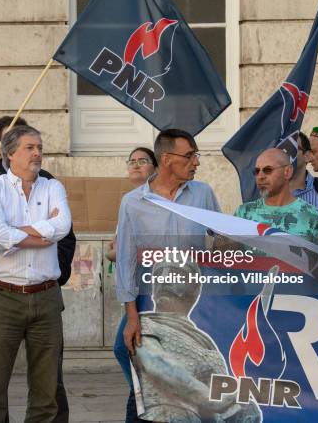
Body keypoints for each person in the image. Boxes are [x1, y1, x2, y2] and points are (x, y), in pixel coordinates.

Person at [0, 115, 75, 422]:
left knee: (47, 392)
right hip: (2, 297)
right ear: (8, 152)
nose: (37, 153)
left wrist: (14, 235)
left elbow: (62, 228)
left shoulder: (52, 186)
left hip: (45, 296)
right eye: (29, 147)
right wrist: (39, 234)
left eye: (39, 147)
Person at [115, 129, 221, 422]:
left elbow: (222, 239)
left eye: (196, 156)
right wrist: (132, 314)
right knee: (137, 365)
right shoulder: (133, 203)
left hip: (194, 306)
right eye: (190, 155)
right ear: (166, 158)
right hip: (150, 303)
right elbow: (125, 261)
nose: (196, 162)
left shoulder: (202, 194)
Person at [133, 263, 261, 422]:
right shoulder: (145, 324)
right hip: (166, 414)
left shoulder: (206, 344)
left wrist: (239, 408)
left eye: (175, 275)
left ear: (194, 290)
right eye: (160, 276)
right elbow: (157, 363)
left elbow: (220, 403)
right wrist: (209, 399)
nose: (165, 281)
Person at [106, 147, 157, 422]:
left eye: (143, 161)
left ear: (156, 167)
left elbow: (123, 249)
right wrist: (116, 250)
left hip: (151, 288)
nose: (136, 166)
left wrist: (117, 250)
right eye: (132, 162)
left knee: (124, 347)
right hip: (132, 289)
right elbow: (117, 250)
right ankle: (141, 390)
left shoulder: (152, 203)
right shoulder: (129, 202)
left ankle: (143, 392)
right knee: (126, 348)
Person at [236, 148, 318, 247]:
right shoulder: (243, 213)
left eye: (268, 170)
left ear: (287, 172)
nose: (260, 176)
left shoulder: (314, 218)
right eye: (256, 171)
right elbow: (229, 257)